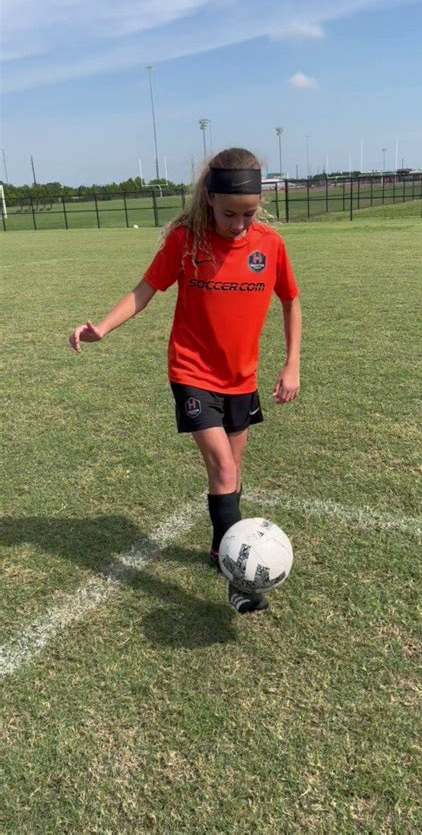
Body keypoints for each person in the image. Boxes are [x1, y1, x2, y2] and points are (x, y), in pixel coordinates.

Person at [69, 147, 301, 614]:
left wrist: (291, 363)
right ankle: (239, 583)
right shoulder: (185, 240)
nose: (238, 225)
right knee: (224, 469)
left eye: (248, 214)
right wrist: (103, 327)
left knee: (231, 473)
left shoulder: (270, 244)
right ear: (209, 199)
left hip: (242, 378)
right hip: (192, 372)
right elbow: (145, 289)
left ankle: (221, 547)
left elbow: (291, 300)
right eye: (229, 213)